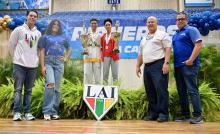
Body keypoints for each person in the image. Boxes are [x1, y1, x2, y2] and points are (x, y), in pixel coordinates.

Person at [136, 16, 171, 122]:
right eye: (148, 22)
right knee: (150, 91)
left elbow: (168, 48)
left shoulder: (162, 34)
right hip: (147, 67)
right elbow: (141, 54)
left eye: (152, 22)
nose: (150, 23)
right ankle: (153, 114)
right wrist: (138, 66)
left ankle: (163, 114)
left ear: (157, 23)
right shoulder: (144, 38)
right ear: (146, 24)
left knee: (161, 90)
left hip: (159, 64)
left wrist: (166, 63)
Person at [9, 10, 41, 121]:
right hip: (19, 65)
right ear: (26, 17)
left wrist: (36, 60)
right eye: (31, 15)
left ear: (37, 19)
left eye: (35, 16)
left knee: (28, 91)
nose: (33, 17)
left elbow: (38, 49)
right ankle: (17, 112)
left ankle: (27, 112)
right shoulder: (18, 30)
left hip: (32, 66)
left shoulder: (38, 33)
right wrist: (15, 59)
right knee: (17, 89)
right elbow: (11, 45)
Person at [172, 12, 203, 124]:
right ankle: (185, 115)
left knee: (192, 90)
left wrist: (191, 60)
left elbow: (198, 45)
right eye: (178, 19)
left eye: (182, 19)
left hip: (189, 65)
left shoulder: (191, 30)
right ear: (176, 21)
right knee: (181, 92)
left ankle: (198, 116)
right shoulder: (175, 35)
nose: (180, 21)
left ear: (187, 20)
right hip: (178, 67)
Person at [38, 19, 71, 121]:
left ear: (59, 26)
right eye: (54, 24)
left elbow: (69, 48)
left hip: (59, 63)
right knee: (50, 84)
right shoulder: (45, 37)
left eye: (57, 24)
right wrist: (42, 66)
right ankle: (47, 111)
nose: (55, 25)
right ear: (51, 25)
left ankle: (54, 112)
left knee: (57, 88)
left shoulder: (63, 37)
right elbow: (42, 52)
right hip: (48, 61)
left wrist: (65, 58)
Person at [101, 18, 120, 85]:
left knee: (115, 75)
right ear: (104, 26)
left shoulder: (115, 34)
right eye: (106, 25)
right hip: (106, 57)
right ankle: (104, 91)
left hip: (114, 56)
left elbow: (117, 44)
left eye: (109, 24)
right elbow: (102, 47)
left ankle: (115, 91)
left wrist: (116, 47)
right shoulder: (103, 36)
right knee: (105, 75)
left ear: (111, 26)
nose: (108, 26)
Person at [83, 18, 102, 84]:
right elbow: (83, 45)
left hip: (97, 56)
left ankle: (97, 90)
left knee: (97, 75)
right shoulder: (86, 34)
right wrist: (86, 40)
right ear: (90, 24)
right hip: (88, 56)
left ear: (97, 25)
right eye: (92, 23)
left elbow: (101, 46)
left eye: (95, 23)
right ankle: (87, 91)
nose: (94, 24)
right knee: (87, 74)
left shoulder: (100, 35)